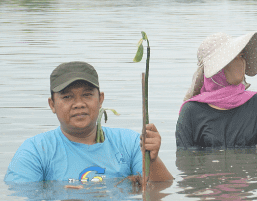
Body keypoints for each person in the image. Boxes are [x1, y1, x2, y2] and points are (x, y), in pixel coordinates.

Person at [5, 61, 172, 183]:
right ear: (52, 104)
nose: (79, 104)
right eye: (67, 97)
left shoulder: (131, 142)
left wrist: (152, 158)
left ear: (100, 99)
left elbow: (160, 190)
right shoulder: (35, 151)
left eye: (87, 95)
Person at [176, 31, 257, 148]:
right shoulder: (191, 112)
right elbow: (184, 160)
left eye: (241, 56)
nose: (241, 62)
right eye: (233, 58)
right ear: (218, 69)